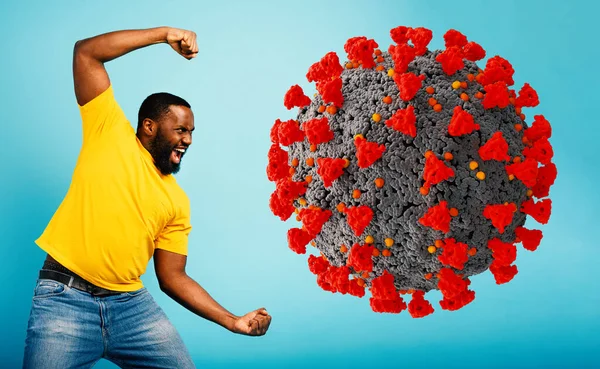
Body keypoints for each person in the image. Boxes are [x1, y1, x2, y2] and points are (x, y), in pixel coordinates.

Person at [22, 26, 271, 369]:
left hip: (130, 307)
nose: (188, 140)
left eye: (191, 132)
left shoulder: (176, 201)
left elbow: (173, 277)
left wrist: (231, 320)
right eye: (181, 130)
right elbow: (86, 53)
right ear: (150, 127)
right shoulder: (108, 132)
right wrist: (164, 35)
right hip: (65, 298)